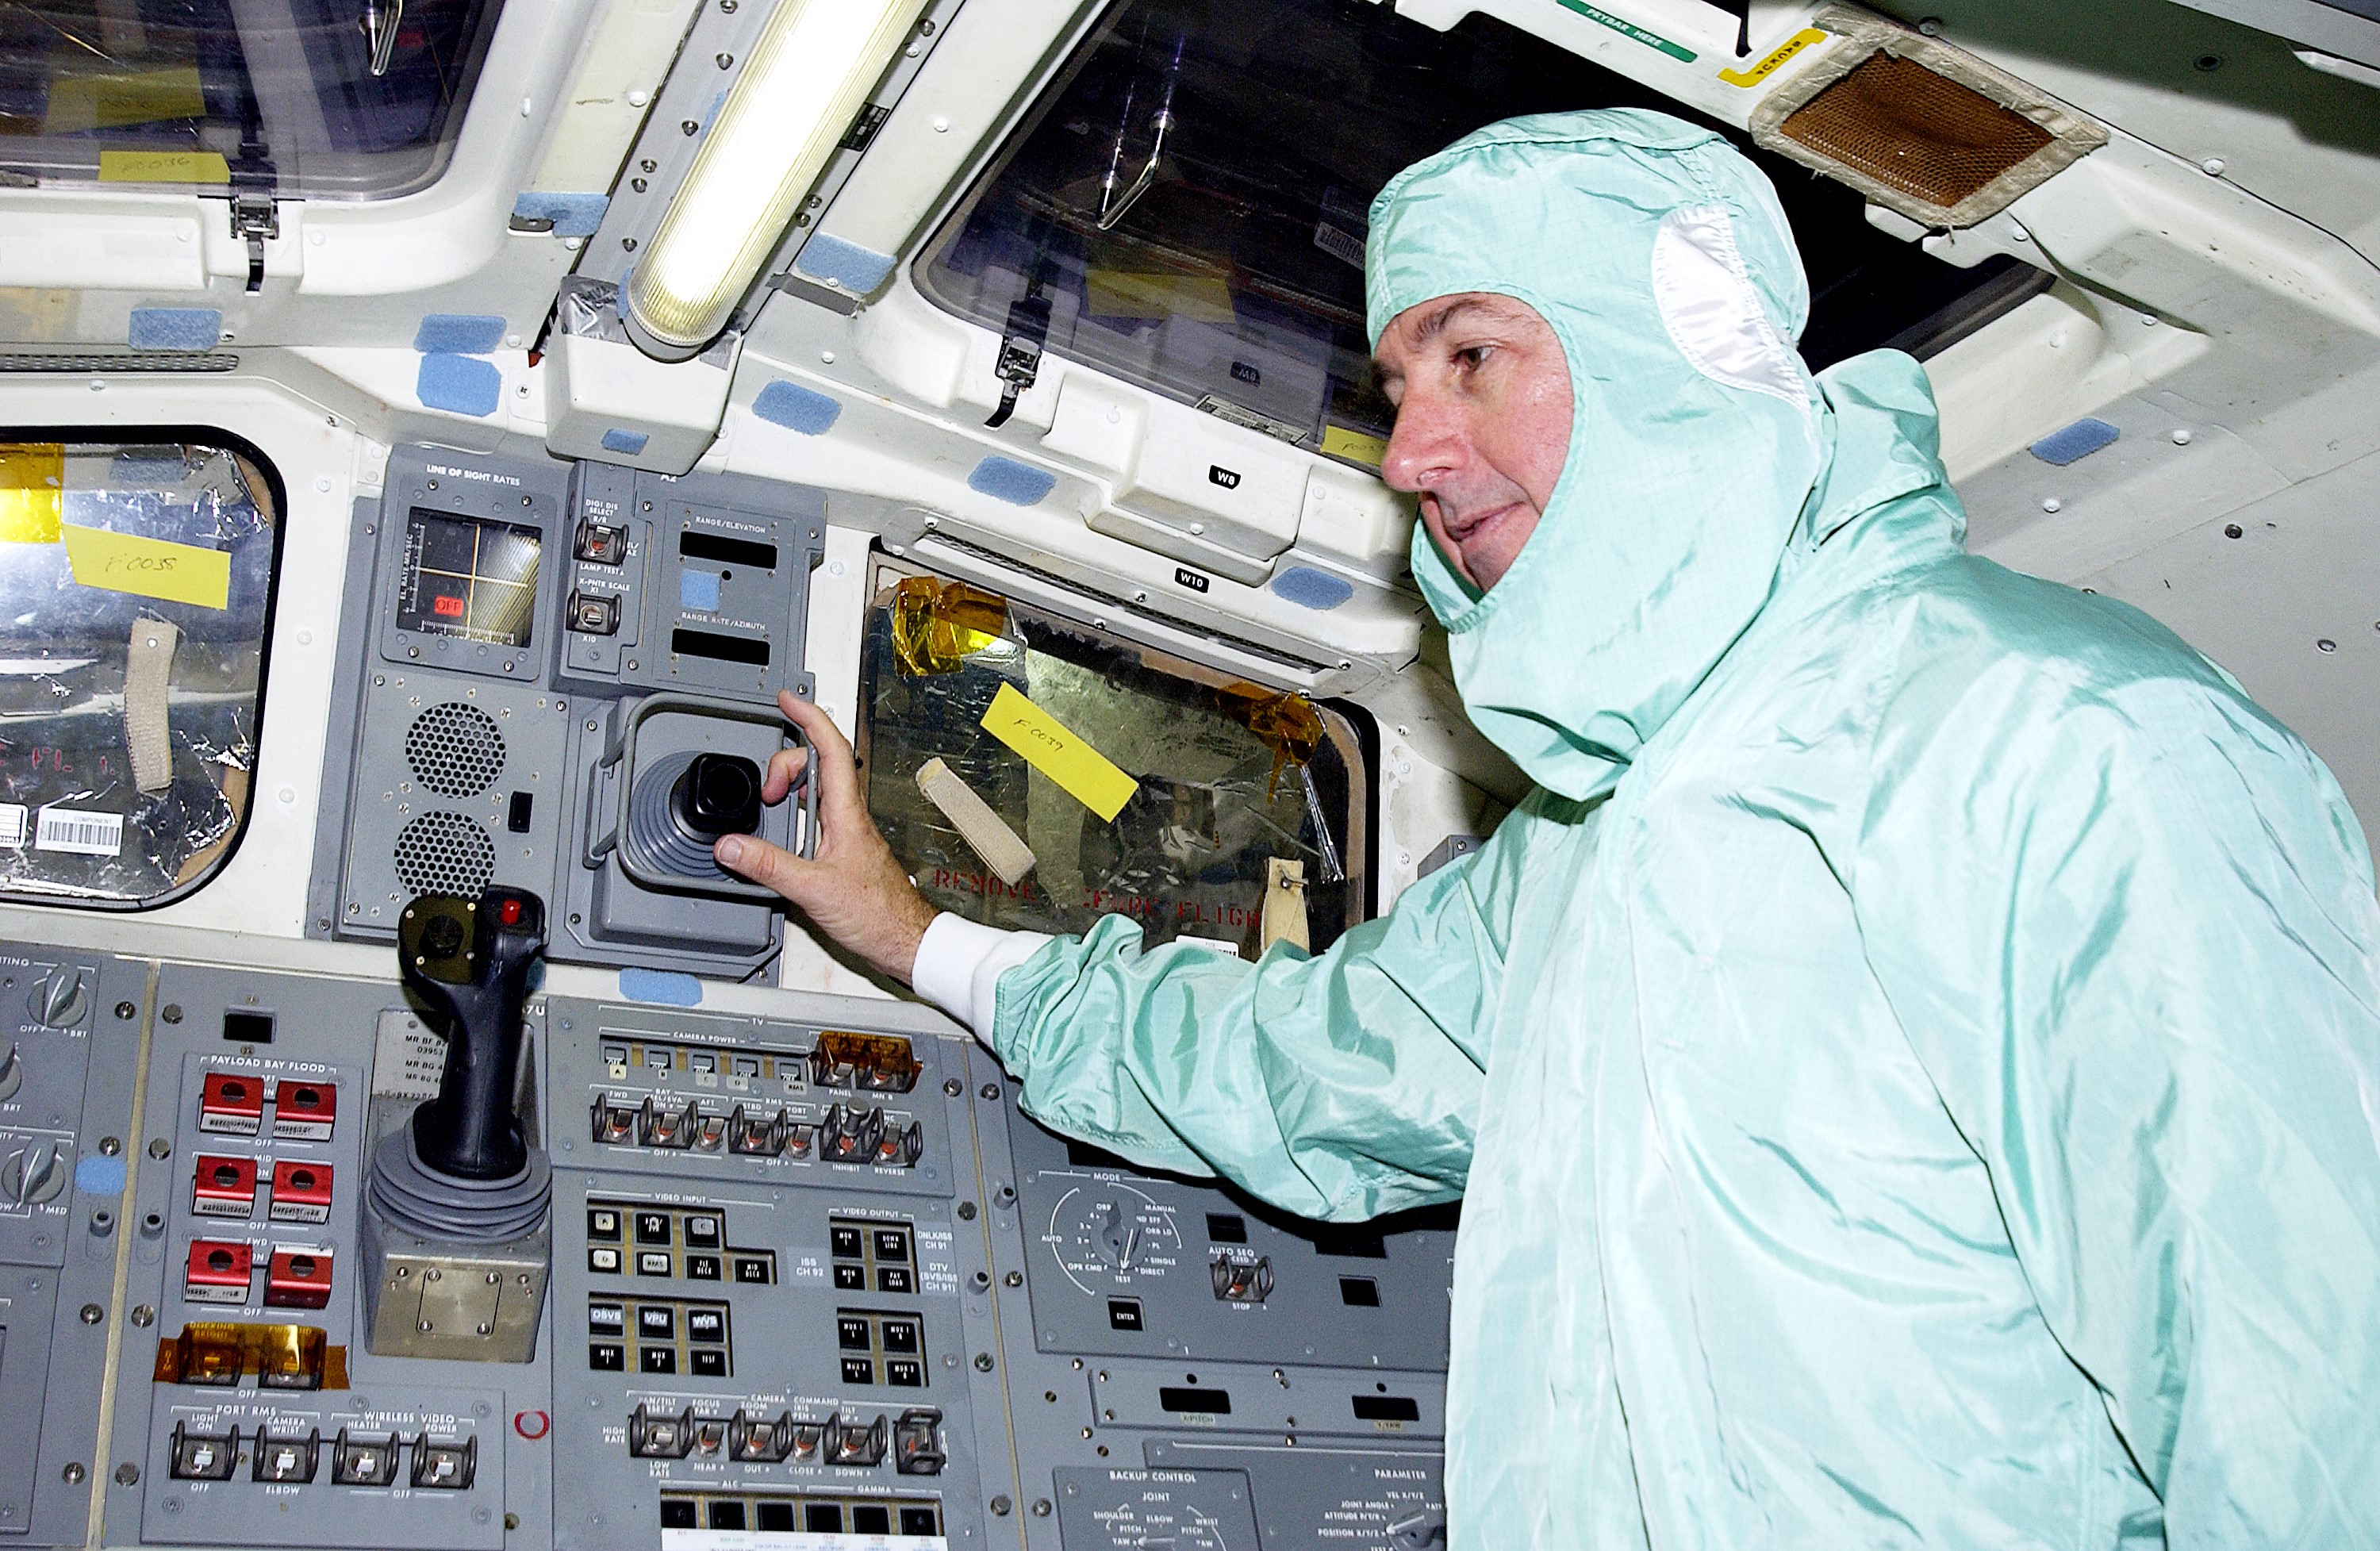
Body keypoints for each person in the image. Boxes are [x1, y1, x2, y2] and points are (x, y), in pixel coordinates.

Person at [720, 109, 2380, 1546]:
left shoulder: (2063, 744)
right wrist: (919, 937)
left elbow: (2307, 1412)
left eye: (1474, 357)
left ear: (1672, 349)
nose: (1416, 453)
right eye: (1394, 389)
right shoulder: (1590, 849)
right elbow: (1303, 1062)